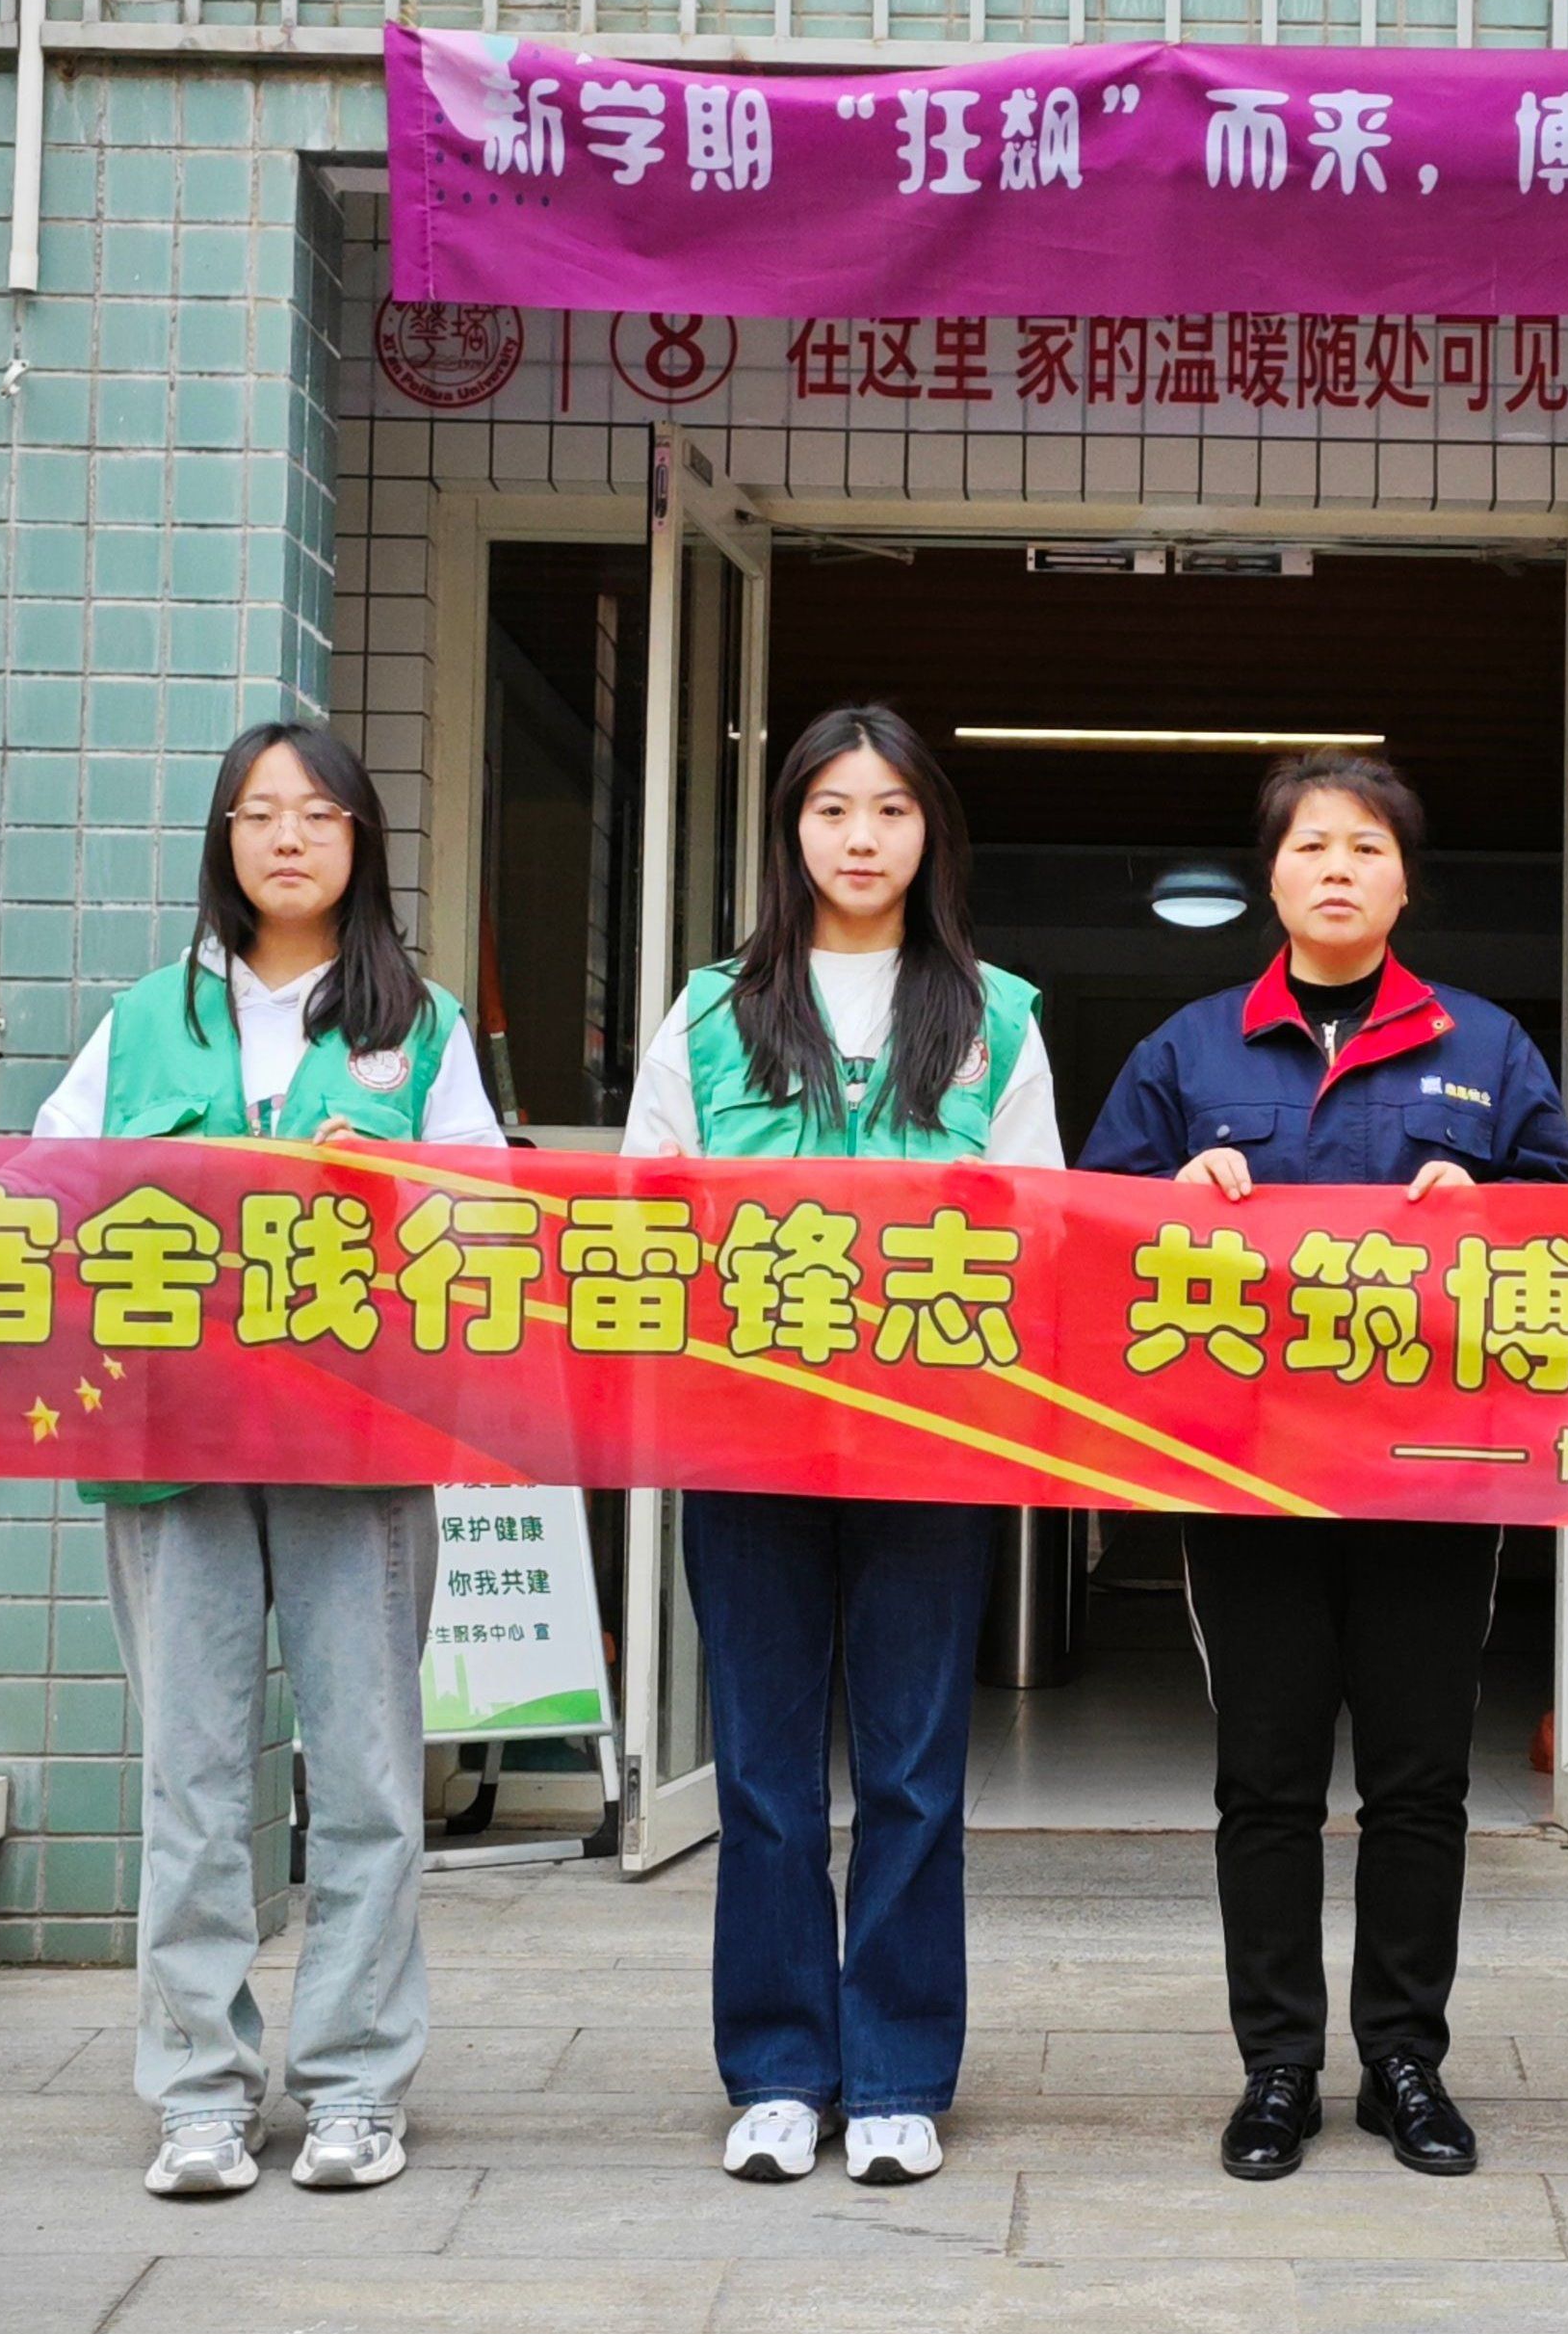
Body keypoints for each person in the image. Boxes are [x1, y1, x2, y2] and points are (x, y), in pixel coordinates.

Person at [1080, 751, 1568, 2182]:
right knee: (1267, 1778)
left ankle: (1406, 2060)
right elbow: (1086, 1227)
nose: (1339, 867)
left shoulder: (1488, 1045)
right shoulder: (1190, 1051)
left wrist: (1490, 1202)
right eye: (1311, 845)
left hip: (1433, 1475)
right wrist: (1168, 1194)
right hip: (1246, 1477)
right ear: (1275, 877)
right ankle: (1280, 2067)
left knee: (1422, 1781)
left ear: (1405, 882)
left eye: (1367, 845)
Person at [36, 721, 506, 2199]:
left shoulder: (420, 1023)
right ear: (223, 842)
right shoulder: (144, 1018)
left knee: (364, 1774)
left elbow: (486, 1211)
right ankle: (199, 2092)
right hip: (171, 1443)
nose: (286, 836)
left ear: (360, 840)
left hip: (355, 1445)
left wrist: (387, 1199)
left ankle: (356, 2083)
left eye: (315, 813)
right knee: (191, 1775)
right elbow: (46, 1185)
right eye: (256, 812)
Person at [621, 704, 1059, 2190]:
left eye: (890, 809)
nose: (861, 837)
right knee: (761, 1772)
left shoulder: (998, 1014)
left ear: (931, 832)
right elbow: (644, 1213)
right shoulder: (709, 1012)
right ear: (790, 829)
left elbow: (1045, 1229)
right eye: (832, 809)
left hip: (932, 1453)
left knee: (915, 1771)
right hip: (746, 1446)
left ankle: (896, 2074)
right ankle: (777, 2070)